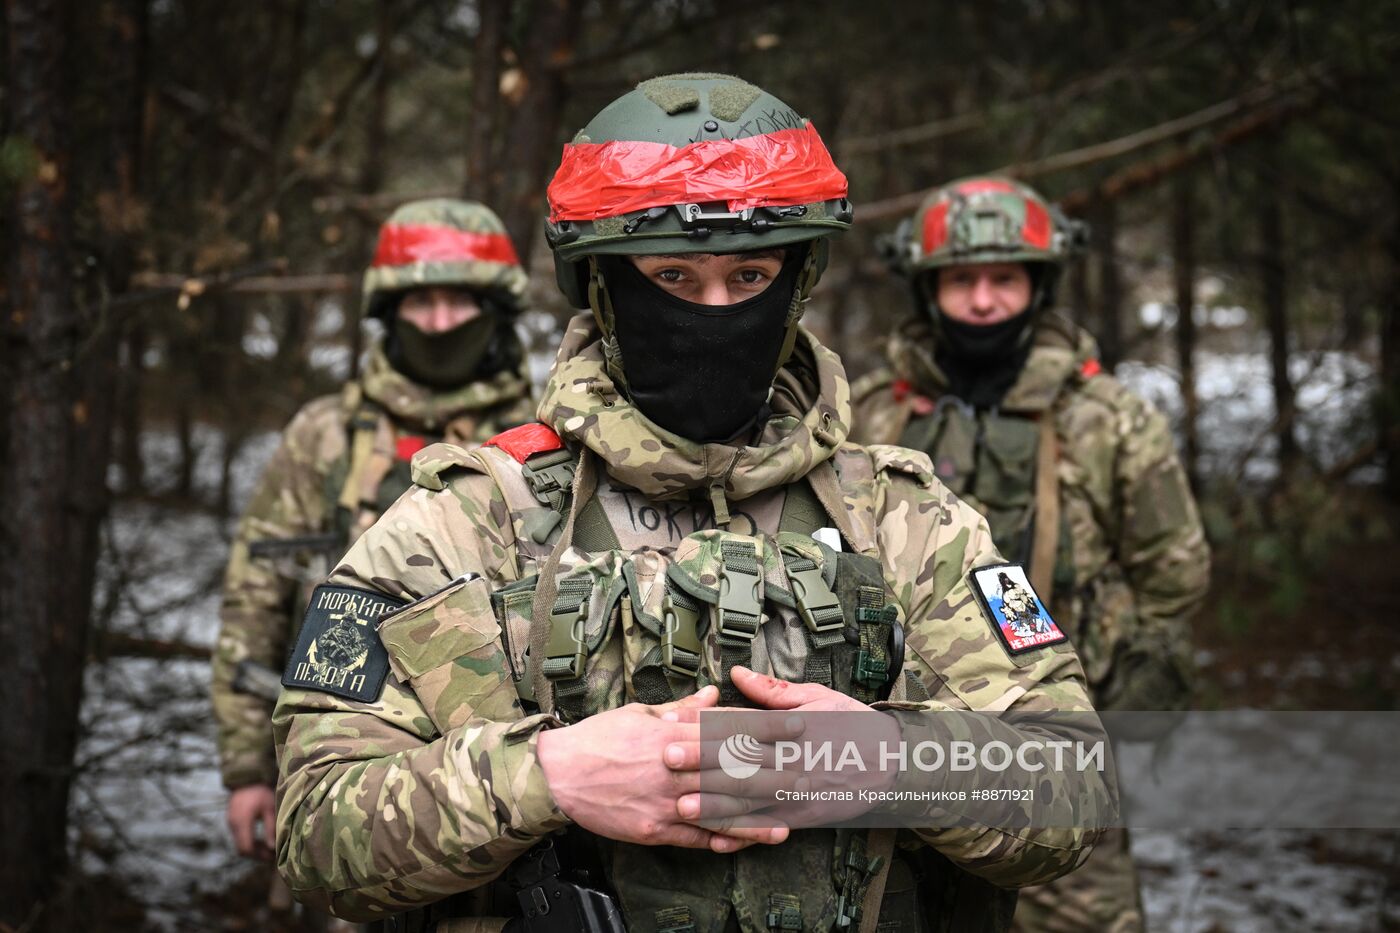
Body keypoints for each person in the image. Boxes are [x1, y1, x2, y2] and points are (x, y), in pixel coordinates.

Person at [273, 74, 1111, 932]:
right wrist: (549, 776)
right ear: (602, 289)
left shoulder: (906, 520)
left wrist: (888, 760)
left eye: (750, 275)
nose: (715, 312)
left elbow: (1074, 786)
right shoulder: (465, 522)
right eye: (672, 275)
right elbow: (315, 828)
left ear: (795, 288)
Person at [851, 176, 1211, 932]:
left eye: (1005, 278)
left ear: (1039, 285)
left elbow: (1173, 574)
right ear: (927, 287)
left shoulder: (1107, 418)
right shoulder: (873, 412)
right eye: (961, 280)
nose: (983, 301)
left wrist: (1121, 686)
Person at [211, 198, 536, 865]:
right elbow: (257, 596)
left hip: (511, 782)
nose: (441, 323)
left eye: (459, 304)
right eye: (422, 304)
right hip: (344, 773)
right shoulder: (325, 435)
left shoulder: (543, 438)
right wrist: (247, 768)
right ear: (390, 315)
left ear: (495, 314)